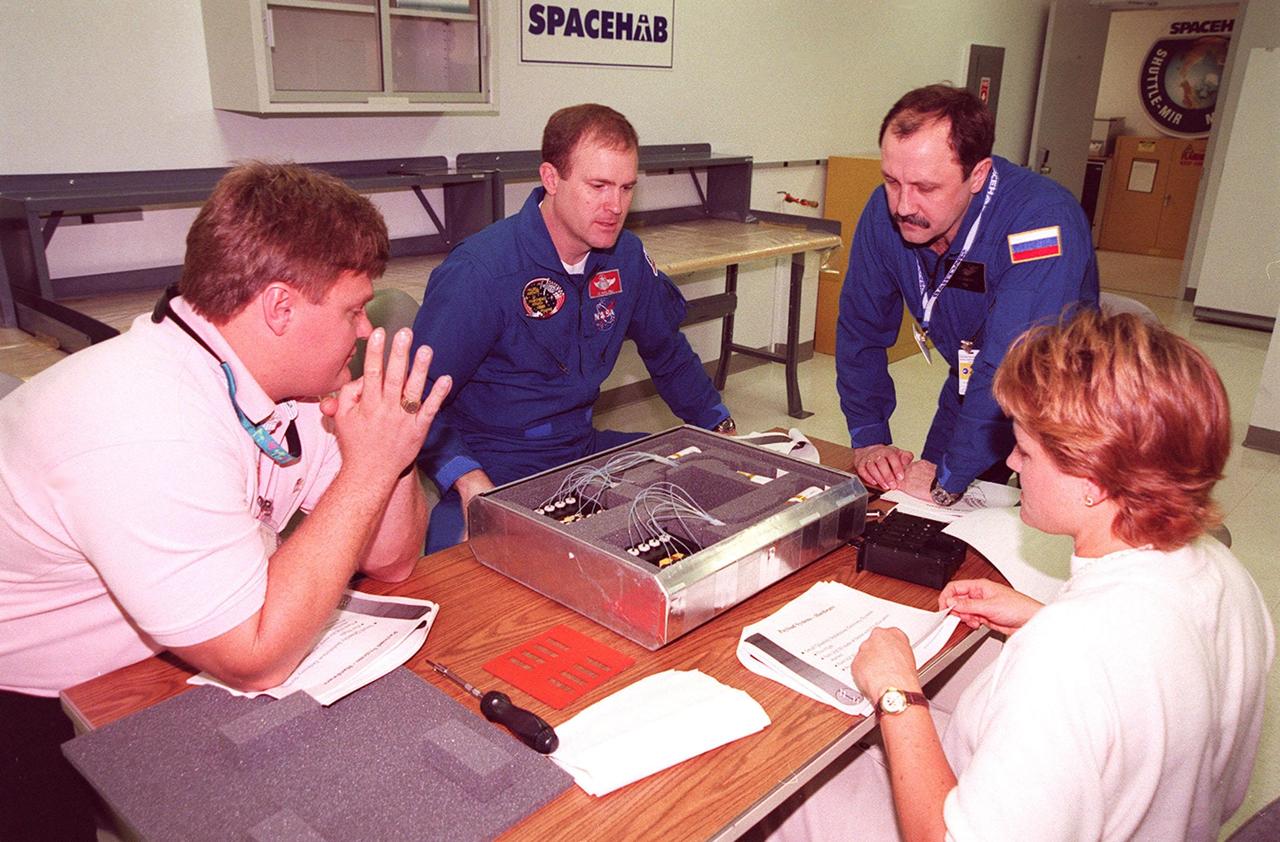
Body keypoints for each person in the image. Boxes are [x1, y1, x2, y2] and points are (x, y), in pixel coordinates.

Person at [0, 162, 451, 840]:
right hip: (26, 697)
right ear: (279, 308)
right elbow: (256, 654)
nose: (363, 332)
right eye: (353, 310)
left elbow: (390, 559)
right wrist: (369, 469)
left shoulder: (285, 382)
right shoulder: (141, 419)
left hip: (162, 654)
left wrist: (390, 454)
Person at [766, 311, 1274, 841]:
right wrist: (1043, 618)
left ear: (1094, 481)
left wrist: (897, 694)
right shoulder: (1226, 575)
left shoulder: (1065, 655)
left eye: (1026, 450)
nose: (1010, 459)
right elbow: (1170, 705)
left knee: (790, 774)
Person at [411, 103, 733, 551]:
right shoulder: (482, 272)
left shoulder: (624, 257)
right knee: (462, 583)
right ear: (551, 178)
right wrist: (466, 479)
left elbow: (667, 352)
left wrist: (721, 429)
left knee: (701, 491)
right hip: (496, 466)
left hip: (581, 450)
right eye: (598, 186)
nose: (615, 206)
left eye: (626, 188)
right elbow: (415, 397)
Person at [839, 84, 1099, 507]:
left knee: (1049, 526)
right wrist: (868, 436)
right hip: (970, 382)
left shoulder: (1040, 222)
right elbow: (859, 329)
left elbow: (1010, 362)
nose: (903, 205)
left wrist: (951, 475)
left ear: (977, 175)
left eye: (926, 187)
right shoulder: (882, 213)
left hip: (1058, 401)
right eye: (891, 181)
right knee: (927, 513)